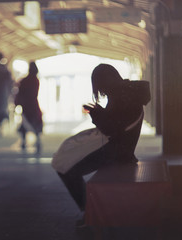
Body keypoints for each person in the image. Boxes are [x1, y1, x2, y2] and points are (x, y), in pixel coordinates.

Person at [56, 63, 150, 216]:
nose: (101, 91)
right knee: (66, 163)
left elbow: (111, 129)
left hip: (116, 152)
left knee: (67, 169)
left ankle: (91, 213)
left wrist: (96, 114)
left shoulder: (122, 97)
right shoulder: (126, 93)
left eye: (100, 86)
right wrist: (99, 112)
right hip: (120, 149)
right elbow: (117, 123)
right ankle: (91, 211)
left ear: (106, 82)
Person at [15, 61, 43, 154]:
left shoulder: (24, 80)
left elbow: (19, 93)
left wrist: (17, 103)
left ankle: (23, 142)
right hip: (34, 104)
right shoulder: (36, 80)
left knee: (25, 123)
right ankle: (38, 141)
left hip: (26, 105)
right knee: (36, 123)